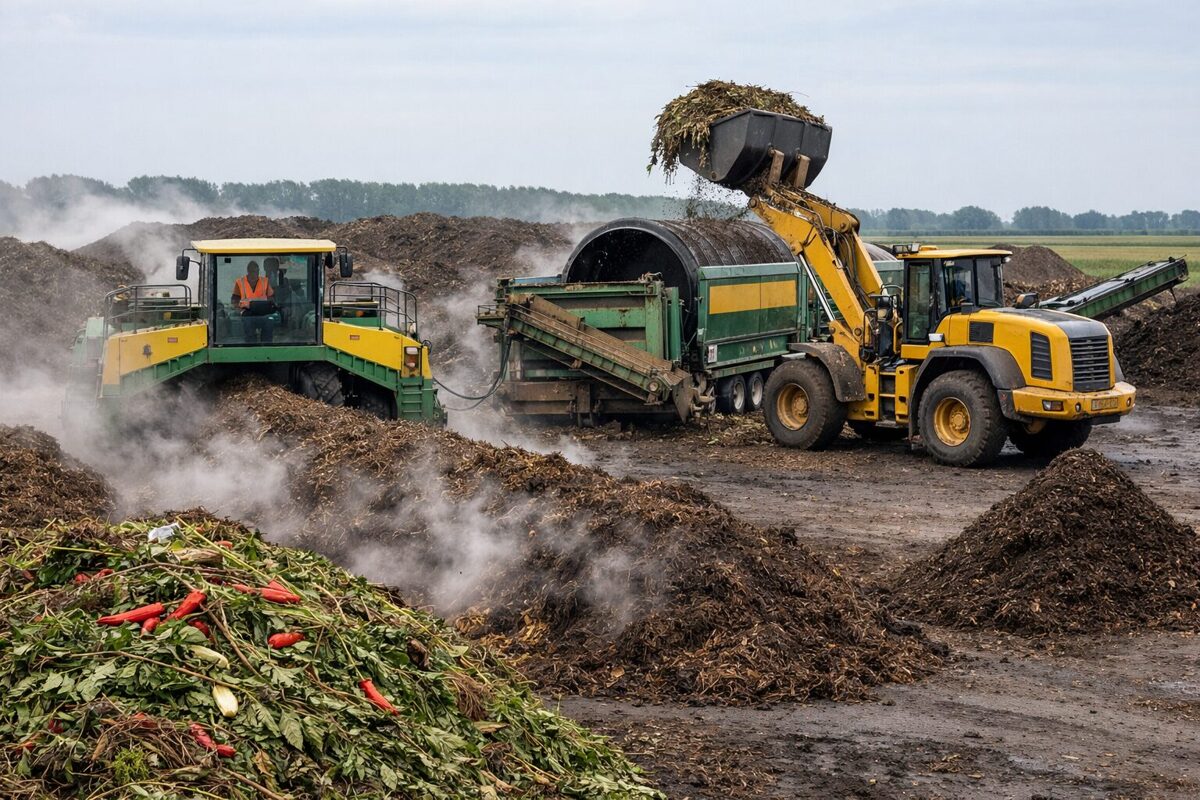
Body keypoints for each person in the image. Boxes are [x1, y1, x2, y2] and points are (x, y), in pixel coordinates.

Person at [231, 260, 275, 343]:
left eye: (256, 271)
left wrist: (270, 306)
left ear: (258, 272)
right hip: (247, 314)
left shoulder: (265, 281)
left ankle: (267, 347)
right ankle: (251, 347)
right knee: (249, 329)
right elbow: (234, 300)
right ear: (248, 271)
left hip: (263, 313)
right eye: (252, 271)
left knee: (269, 322)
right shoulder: (240, 282)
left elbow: (271, 298)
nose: (254, 274)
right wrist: (239, 310)